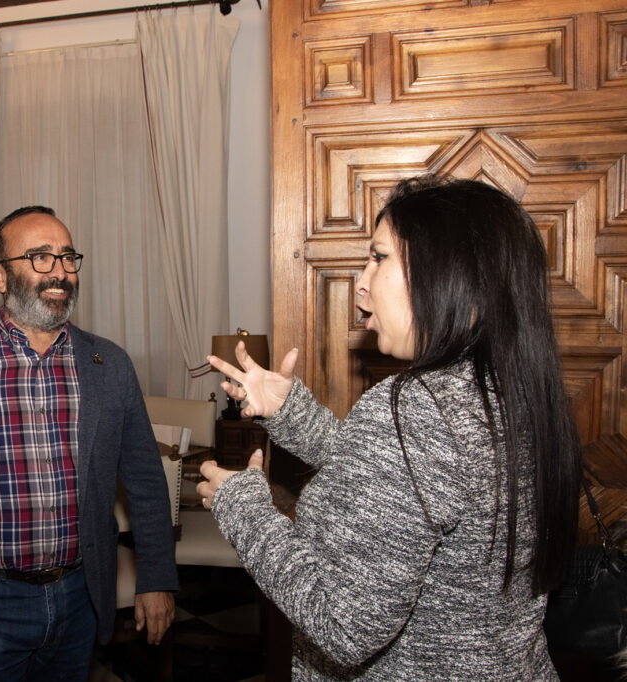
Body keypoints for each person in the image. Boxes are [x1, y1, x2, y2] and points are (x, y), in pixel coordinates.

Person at [199, 176, 581, 680]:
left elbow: (344, 624)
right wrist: (291, 411)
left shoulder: (415, 409)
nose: (361, 281)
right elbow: (400, 494)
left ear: (449, 273)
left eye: (378, 258)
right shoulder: (514, 391)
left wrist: (243, 507)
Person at [0, 205, 178, 681]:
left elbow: (146, 480)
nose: (60, 272)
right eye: (41, 258)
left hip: (79, 596)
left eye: (68, 258)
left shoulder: (108, 363)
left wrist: (156, 578)